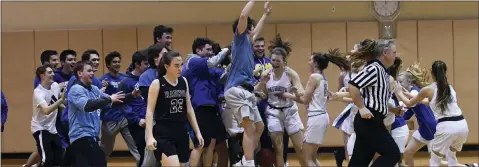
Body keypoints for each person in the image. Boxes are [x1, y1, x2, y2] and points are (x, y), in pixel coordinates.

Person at [282, 48, 350, 166]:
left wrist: (288, 95)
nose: (308, 62)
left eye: (310, 60)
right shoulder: (322, 77)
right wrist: (296, 93)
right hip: (321, 117)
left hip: (316, 118)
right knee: (311, 156)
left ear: (315, 63)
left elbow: (304, 100)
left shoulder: (314, 77)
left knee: (306, 155)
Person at [223, 1, 272, 166]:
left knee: (259, 127)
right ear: (244, 28)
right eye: (250, 27)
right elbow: (243, 16)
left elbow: (257, 31)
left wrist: (265, 14)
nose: (253, 30)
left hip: (246, 92)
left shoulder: (247, 45)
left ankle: (244, 160)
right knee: (249, 128)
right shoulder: (239, 39)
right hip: (236, 90)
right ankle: (249, 162)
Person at [394, 60, 469, 167]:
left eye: (400, 82)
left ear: (431, 72)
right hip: (461, 125)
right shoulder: (448, 88)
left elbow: (409, 104)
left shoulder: (425, 90)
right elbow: (430, 102)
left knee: (435, 162)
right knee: (451, 161)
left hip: (441, 128)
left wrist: (399, 92)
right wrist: (409, 96)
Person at [145, 51, 204, 166]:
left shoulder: (183, 81)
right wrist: (150, 136)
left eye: (181, 65)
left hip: (181, 132)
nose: (180, 68)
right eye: (176, 65)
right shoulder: (157, 83)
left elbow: (189, 109)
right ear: (167, 66)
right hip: (163, 133)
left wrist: (197, 132)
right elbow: (149, 111)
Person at [347, 39, 400, 167]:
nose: (395, 56)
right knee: (392, 154)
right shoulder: (374, 68)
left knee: (359, 162)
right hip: (369, 121)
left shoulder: (382, 71)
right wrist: (361, 108)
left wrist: (394, 110)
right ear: (385, 53)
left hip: (372, 121)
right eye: (394, 52)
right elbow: (353, 85)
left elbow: (377, 100)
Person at [255, 34, 305, 167]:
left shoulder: (290, 74)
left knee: (300, 147)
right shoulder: (266, 74)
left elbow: (302, 93)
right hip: (273, 113)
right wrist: (261, 85)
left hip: (290, 111)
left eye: (278, 61)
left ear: (284, 61)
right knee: (278, 149)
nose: (275, 63)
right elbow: (263, 95)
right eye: (273, 60)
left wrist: (295, 92)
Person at [67, 61, 128, 167]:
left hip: (92, 136)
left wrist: (133, 95)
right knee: (99, 162)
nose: (93, 73)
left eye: (93, 71)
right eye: (89, 71)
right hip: (81, 135)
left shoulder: (94, 89)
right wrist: (110, 99)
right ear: (79, 73)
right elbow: (87, 106)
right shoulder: (76, 89)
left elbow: (111, 102)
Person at [181, 37, 230, 167]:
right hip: (199, 108)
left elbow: (223, 77)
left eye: (211, 50)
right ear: (198, 50)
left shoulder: (206, 66)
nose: (211, 52)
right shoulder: (194, 61)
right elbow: (213, 62)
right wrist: (227, 49)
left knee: (212, 143)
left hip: (212, 108)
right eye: (208, 49)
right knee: (200, 144)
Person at [99, 51, 140, 162]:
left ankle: (141, 163)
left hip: (125, 117)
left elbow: (131, 95)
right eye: (114, 62)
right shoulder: (102, 80)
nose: (117, 64)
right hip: (110, 119)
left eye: (118, 62)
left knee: (136, 147)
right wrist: (103, 88)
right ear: (108, 65)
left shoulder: (125, 78)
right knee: (106, 149)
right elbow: (99, 99)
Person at [138, 43, 170, 167]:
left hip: (171, 121)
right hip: (155, 121)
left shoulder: (170, 73)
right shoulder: (146, 76)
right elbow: (151, 102)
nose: (168, 57)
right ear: (156, 58)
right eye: (164, 55)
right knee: (151, 160)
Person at [31, 64, 66, 166]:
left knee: (59, 157)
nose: (53, 74)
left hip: (52, 128)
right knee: (47, 159)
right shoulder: (38, 92)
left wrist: (63, 103)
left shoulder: (55, 85)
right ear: (42, 76)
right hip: (40, 128)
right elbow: (46, 110)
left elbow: (60, 101)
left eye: (53, 72)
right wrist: (60, 101)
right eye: (50, 72)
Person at [121, 51, 150, 167]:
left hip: (150, 120)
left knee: (154, 153)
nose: (148, 66)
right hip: (137, 123)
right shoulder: (126, 81)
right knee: (143, 154)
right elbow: (123, 105)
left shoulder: (148, 79)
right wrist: (137, 120)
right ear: (137, 65)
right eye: (146, 64)